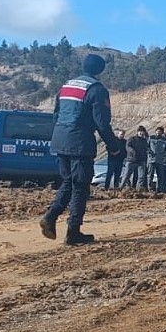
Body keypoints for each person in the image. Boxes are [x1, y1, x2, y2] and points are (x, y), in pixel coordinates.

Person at [39, 53, 125, 245]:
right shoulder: (96, 90)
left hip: (60, 140)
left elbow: (55, 116)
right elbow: (102, 123)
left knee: (68, 182)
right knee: (80, 187)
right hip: (80, 143)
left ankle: (51, 218)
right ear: (100, 70)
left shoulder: (66, 86)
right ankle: (72, 231)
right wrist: (114, 147)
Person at [149, 126, 166, 193]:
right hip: (151, 160)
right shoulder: (151, 138)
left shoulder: (165, 141)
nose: (158, 132)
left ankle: (159, 189)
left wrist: (163, 155)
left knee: (160, 176)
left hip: (161, 161)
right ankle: (150, 188)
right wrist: (150, 152)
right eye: (157, 131)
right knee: (150, 175)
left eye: (160, 131)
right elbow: (146, 146)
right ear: (155, 131)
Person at [123, 126, 149, 191]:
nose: (141, 134)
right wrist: (133, 152)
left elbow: (146, 149)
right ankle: (121, 188)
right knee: (126, 175)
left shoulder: (144, 141)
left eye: (143, 133)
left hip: (141, 160)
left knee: (141, 176)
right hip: (131, 159)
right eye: (140, 132)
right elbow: (128, 146)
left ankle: (138, 190)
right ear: (138, 132)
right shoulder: (132, 139)